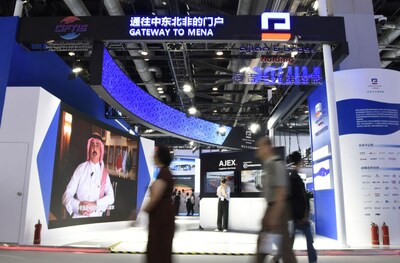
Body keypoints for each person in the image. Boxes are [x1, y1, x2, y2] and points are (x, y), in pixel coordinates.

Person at [255, 136, 297, 263]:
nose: (258, 151)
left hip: (279, 209)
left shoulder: (276, 164)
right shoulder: (268, 165)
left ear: (268, 147)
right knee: (262, 244)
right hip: (272, 208)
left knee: (284, 248)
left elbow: (281, 191)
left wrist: (274, 214)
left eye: (260, 147)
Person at [62, 132, 114, 218]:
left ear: (101, 151)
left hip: (96, 219)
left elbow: (111, 197)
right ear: (89, 149)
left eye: (97, 145)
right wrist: (79, 206)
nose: (94, 147)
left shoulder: (104, 173)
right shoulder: (80, 168)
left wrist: (95, 204)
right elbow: (66, 195)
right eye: (92, 144)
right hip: (78, 219)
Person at [143, 145, 175, 263]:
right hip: (163, 216)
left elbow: (155, 198)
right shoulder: (165, 173)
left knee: (158, 249)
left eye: (155, 155)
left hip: (161, 217)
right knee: (162, 249)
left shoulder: (164, 174)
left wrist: (140, 212)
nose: (153, 157)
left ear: (159, 157)